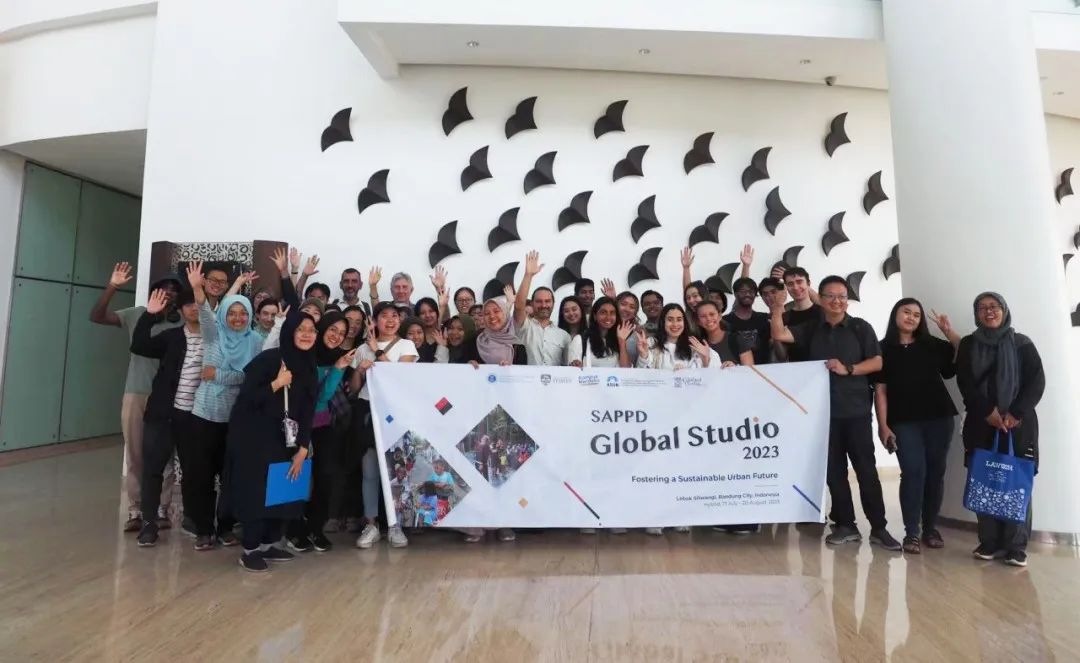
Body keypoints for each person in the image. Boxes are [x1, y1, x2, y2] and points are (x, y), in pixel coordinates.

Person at [769, 275, 902, 551]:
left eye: (842, 296)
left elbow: (877, 362)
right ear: (821, 299)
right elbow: (780, 335)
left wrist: (849, 368)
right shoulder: (811, 329)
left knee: (866, 471)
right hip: (822, 414)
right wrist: (777, 307)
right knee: (834, 472)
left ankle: (879, 528)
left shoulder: (860, 327)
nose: (837, 301)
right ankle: (846, 525)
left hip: (856, 411)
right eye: (831, 296)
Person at [89, 262, 183, 532]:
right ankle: (135, 509)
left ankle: (162, 508)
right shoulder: (138, 314)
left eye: (174, 289)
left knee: (164, 455)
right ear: (154, 292)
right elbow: (97, 316)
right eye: (164, 288)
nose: (169, 293)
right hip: (136, 393)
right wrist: (113, 286)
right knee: (135, 453)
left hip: (168, 397)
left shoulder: (181, 322)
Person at [956, 293, 1045, 567]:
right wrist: (988, 412)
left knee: (1017, 483)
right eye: (982, 308)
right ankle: (989, 541)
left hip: (1019, 426)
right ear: (976, 314)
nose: (989, 311)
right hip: (982, 424)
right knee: (984, 479)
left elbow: (1036, 381)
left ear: (1004, 310)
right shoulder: (969, 344)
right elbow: (965, 382)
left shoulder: (1022, 343)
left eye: (994, 306)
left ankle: (1016, 547)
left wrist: (1015, 413)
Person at [226, 311, 319, 572]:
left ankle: (269, 544)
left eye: (311, 330)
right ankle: (250, 549)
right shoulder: (268, 360)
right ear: (289, 332)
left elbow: (308, 411)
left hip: (287, 439)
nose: (306, 334)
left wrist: (303, 447)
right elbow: (245, 401)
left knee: (284, 491)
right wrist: (276, 384)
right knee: (258, 493)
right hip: (255, 439)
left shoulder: (309, 366)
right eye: (301, 329)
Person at [874, 298, 960, 554]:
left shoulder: (932, 345)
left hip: (939, 418)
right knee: (912, 472)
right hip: (903, 421)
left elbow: (962, 354)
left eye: (916, 314)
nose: (911, 317)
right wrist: (882, 425)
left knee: (935, 473)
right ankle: (912, 531)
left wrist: (948, 332)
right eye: (906, 312)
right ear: (895, 315)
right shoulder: (881, 349)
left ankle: (930, 527)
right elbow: (880, 390)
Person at [188, 262, 264, 550]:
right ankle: (204, 529)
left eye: (243, 313)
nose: (237, 318)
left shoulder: (255, 341)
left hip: (236, 418)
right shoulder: (214, 333)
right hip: (204, 415)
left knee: (231, 477)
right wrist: (198, 289)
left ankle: (226, 527)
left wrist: (217, 375)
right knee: (202, 476)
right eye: (232, 312)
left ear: (250, 316)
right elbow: (205, 312)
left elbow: (251, 378)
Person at [128, 287, 202, 547]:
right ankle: (149, 523)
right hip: (162, 414)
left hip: (195, 417)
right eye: (188, 304)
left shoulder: (215, 339)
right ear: (180, 309)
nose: (194, 308)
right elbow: (138, 345)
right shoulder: (171, 337)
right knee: (153, 469)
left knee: (193, 470)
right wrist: (149, 315)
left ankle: (192, 518)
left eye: (198, 303)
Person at [285, 311, 356, 553]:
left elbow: (324, 397)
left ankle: (316, 527)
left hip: (323, 425)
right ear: (322, 328)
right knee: (297, 476)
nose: (336, 336)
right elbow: (310, 397)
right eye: (332, 329)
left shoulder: (339, 359)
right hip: (297, 426)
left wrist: (337, 368)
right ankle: (293, 529)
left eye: (342, 333)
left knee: (325, 477)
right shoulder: (302, 355)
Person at [353, 303, 418, 550]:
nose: (390, 320)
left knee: (396, 471)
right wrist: (360, 370)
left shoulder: (407, 345)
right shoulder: (361, 349)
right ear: (374, 321)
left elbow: (397, 379)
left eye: (394, 316)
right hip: (368, 411)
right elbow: (354, 387)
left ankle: (395, 524)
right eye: (384, 316)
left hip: (396, 413)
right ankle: (371, 524)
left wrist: (377, 352)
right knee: (369, 471)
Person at [514, 251, 571, 366]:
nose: (544, 305)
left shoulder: (564, 336)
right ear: (532, 304)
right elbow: (519, 306)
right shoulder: (524, 327)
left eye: (547, 301)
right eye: (539, 301)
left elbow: (568, 369)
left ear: (553, 303)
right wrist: (528, 275)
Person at [636, 303, 718, 371]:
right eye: (670, 319)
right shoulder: (651, 343)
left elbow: (712, 378)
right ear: (662, 322)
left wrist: (706, 360)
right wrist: (643, 356)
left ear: (684, 322)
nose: (675, 324)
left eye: (679, 320)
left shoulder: (695, 344)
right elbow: (642, 377)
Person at [567, 298, 632, 369]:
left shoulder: (618, 340)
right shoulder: (580, 340)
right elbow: (573, 370)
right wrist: (576, 365)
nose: (608, 317)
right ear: (595, 316)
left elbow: (626, 370)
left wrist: (622, 341)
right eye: (603, 312)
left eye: (612, 313)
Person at [724, 277, 773, 365]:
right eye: (743, 291)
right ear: (735, 294)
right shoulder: (726, 321)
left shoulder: (764, 318)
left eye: (751, 291)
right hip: (736, 369)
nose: (747, 294)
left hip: (764, 369)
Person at [696, 300, 752, 368]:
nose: (708, 318)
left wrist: (735, 367)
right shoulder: (698, 344)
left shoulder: (737, 339)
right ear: (698, 321)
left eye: (712, 314)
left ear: (719, 316)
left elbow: (750, 370)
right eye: (703, 316)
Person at [781, 267, 821, 362]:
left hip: (824, 367)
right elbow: (782, 356)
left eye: (799, 282)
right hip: (797, 368)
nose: (795, 287)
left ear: (808, 284)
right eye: (790, 284)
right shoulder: (785, 317)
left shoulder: (823, 312)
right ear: (786, 287)